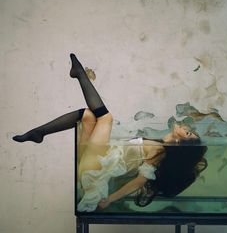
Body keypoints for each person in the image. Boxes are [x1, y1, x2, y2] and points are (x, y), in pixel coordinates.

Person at [13, 54, 207, 212]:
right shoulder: (156, 143)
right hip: (92, 161)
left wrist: (110, 199)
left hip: (94, 167)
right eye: (190, 131)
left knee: (106, 118)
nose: (187, 129)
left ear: (181, 143)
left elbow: (139, 181)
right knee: (88, 116)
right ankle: (39, 133)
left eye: (189, 134)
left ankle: (79, 74)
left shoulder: (159, 152)